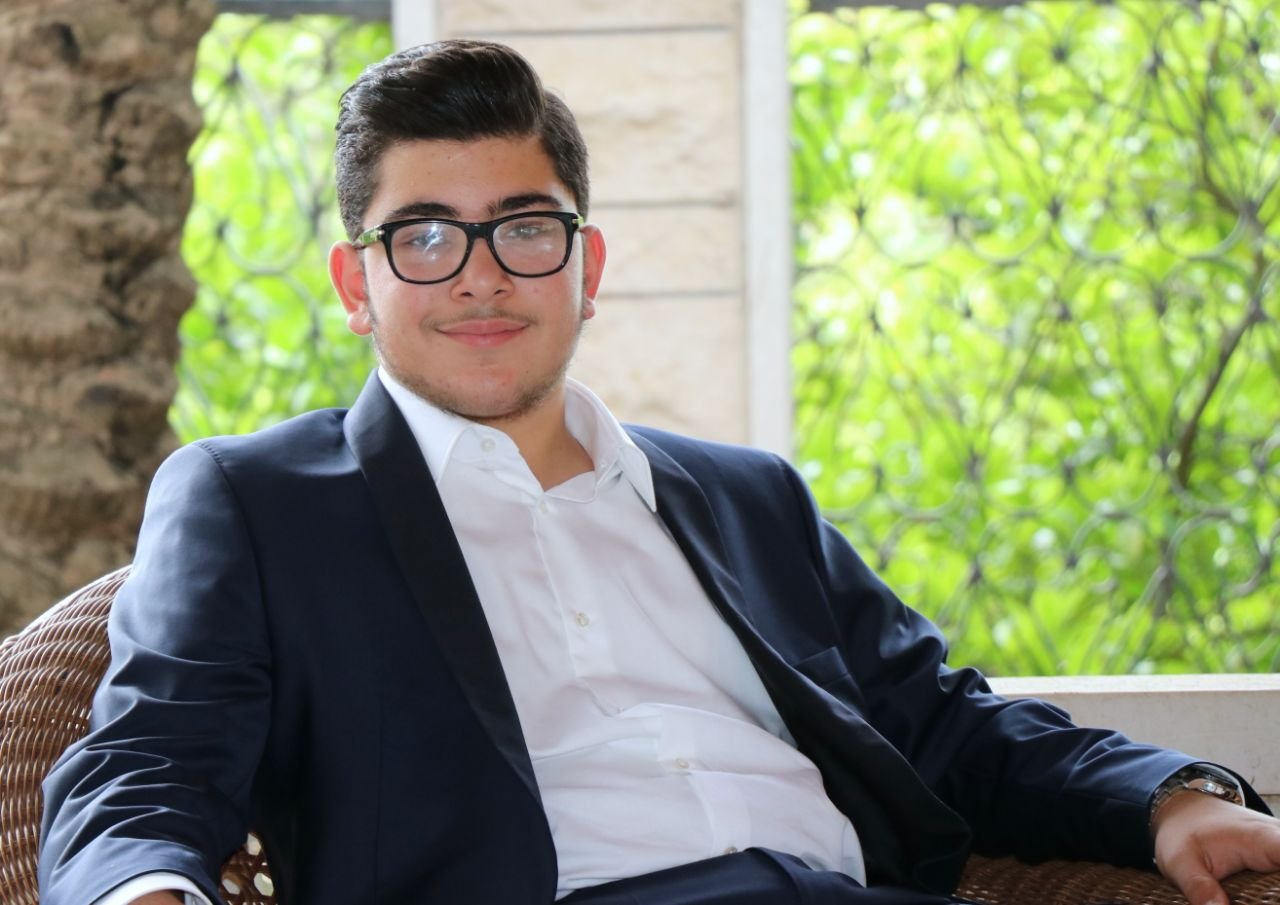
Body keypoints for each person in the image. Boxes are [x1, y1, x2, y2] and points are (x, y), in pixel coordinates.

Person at [39, 39, 1280, 905]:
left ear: (585, 267)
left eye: (524, 227)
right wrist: (142, 886)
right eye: (423, 237)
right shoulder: (255, 500)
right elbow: (146, 763)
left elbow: (945, 724)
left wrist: (1167, 796)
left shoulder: (749, 498)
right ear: (355, 284)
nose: (481, 275)